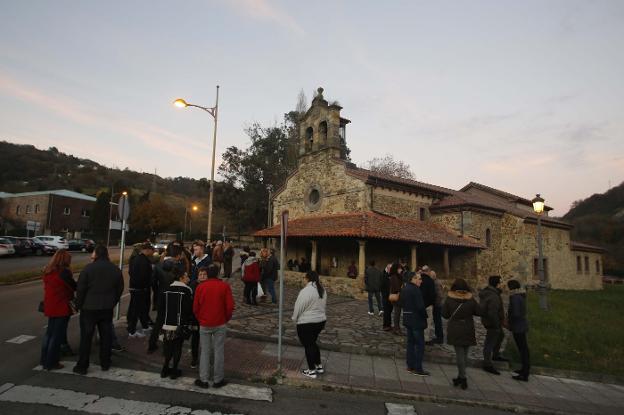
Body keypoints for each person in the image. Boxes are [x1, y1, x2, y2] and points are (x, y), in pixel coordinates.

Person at [73, 246, 124, 375]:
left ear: (96, 254)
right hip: (106, 308)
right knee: (106, 336)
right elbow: (120, 288)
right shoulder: (115, 270)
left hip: (89, 308)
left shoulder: (88, 269)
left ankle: (82, 365)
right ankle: (105, 362)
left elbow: (81, 289)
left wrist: (78, 305)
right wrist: (113, 302)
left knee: (86, 337)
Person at [193, 264, 235, 388]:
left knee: (205, 351)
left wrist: (200, 318)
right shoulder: (224, 286)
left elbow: (195, 307)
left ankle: (204, 379)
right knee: (219, 351)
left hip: (205, 323)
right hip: (219, 322)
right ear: (217, 273)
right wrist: (225, 319)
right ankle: (218, 379)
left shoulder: (201, 287)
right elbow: (229, 306)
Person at [41, 249, 76, 371]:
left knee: (49, 334)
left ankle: (44, 359)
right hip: (61, 306)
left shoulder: (48, 270)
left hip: (50, 305)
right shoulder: (64, 273)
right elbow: (73, 286)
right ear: (65, 260)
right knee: (57, 336)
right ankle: (51, 362)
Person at [442, 278, 480, 389]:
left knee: (459, 354)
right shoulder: (471, 299)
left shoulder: (450, 299)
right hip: (468, 327)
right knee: (465, 354)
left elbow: (445, 314)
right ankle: (460, 376)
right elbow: (478, 311)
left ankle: (463, 378)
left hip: (455, 328)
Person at [148, 245, 184, 353]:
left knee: (159, 321)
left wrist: (158, 292)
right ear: (177, 256)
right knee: (170, 323)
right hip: (174, 296)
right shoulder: (178, 266)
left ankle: (151, 344)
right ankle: (166, 349)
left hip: (161, 295)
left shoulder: (158, 265)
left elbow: (153, 282)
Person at [292, 271, 327, 379]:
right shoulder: (322, 290)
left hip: (307, 322)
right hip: (320, 321)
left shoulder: (306, 291)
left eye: (304, 277)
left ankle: (311, 370)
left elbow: (299, 306)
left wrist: (294, 319)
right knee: (312, 343)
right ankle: (319, 365)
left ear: (307, 278)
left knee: (308, 345)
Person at [158, 268, 192, 379]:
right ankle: (174, 370)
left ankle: (164, 369)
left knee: (168, 347)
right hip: (179, 325)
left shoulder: (166, 289)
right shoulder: (187, 290)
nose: (188, 278)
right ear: (181, 278)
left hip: (166, 324)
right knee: (178, 347)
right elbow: (188, 309)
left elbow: (161, 308)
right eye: (186, 276)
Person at [400, 272, 429, 376]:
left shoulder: (405, 288)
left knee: (410, 343)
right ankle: (418, 368)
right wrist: (425, 316)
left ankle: (410, 365)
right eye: (419, 279)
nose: (421, 281)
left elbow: (401, 302)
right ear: (413, 279)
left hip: (408, 318)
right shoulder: (416, 290)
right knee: (420, 344)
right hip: (416, 320)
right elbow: (420, 306)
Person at [480, 275, 507, 374]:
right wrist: (496, 324)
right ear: (497, 284)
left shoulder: (492, 293)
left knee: (500, 335)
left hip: (493, 322)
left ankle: (496, 355)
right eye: (500, 283)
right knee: (490, 342)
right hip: (492, 322)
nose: (502, 285)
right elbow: (492, 312)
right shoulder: (493, 296)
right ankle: (487, 363)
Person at [127, 242, 154, 338]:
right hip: (139, 289)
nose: (152, 252)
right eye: (151, 250)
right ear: (147, 250)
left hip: (137, 288)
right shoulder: (142, 260)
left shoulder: (139, 258)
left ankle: (145, 326)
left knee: (142, 309)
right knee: (136, 310)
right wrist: (146, 286)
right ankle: (131, 331)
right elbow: (143, 276)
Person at [507, 279, 530, 382]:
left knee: (523, 349)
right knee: (523, 349)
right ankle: (524, 369)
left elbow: (515, 313)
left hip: (518, 327)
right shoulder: (520, 296)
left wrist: (509, 320)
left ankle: (525, 373)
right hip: (521, 325)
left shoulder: (515, 298)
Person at [419, 266, 437, 344]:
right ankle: (426, 338)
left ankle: (418, 336)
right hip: (427, 305)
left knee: (419, 321)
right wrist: (432, 303)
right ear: (428, 271)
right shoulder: (430, 281)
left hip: (419, 304)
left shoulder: (417, 279)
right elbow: (432, 294)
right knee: (427, 322)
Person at [389, 263, 404, 334]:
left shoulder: (398, 276)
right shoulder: (394, 276)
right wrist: (401, 289)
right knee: (397, 313)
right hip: (396, 296)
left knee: (397, 312)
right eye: (399, 268)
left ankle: (397, 328)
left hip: (398, 296)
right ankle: (396, 328)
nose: (400, 269)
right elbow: (396, 287)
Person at [430, 270, 445, 344]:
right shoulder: (437, 282)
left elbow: (440, 295)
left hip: (437, 305)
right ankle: (438, 336)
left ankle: (439, 337)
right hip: (438, 304)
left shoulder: (436, 283)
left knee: (438, 321)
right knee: (437, 321)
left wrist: (435, 304)